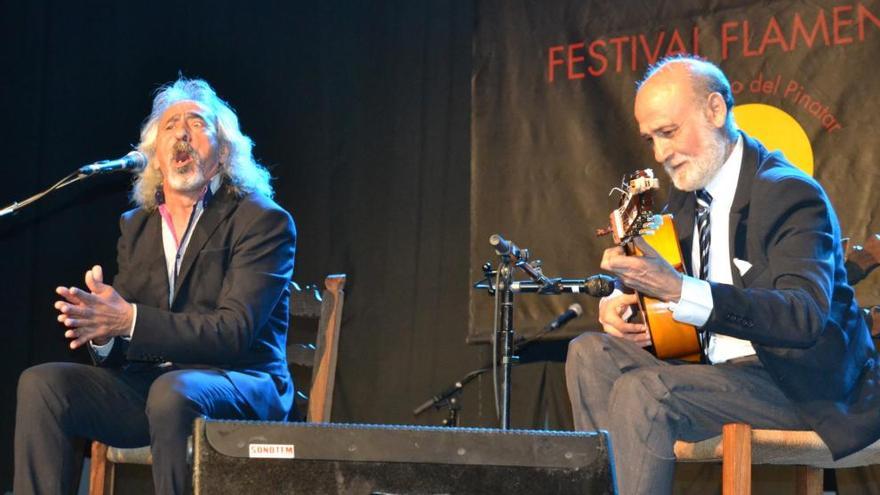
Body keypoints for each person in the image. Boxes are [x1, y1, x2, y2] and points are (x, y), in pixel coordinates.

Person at [565, 55, 880, 495]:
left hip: (800, 386)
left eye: (669, 133)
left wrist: (680, 289)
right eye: (651, 139)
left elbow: (804, 316)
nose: (660, 154)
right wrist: (626, 308)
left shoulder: (789, 192)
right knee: (588, 354)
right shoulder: (683, 202)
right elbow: (668, 306)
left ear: (715, 110)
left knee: (646, 391)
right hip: (714, 375)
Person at [14, 78, 296, 494]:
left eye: (197, 123)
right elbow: (127, 343)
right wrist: (104, 330)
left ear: (223, 152)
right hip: (154, 388)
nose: (181, 132)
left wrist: (129, 319)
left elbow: (234, 333)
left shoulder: (262, 221)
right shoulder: (137, 226)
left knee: (171, 392)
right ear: (156, 159)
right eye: (170, 126)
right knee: (43, 385)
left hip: (241, 381)